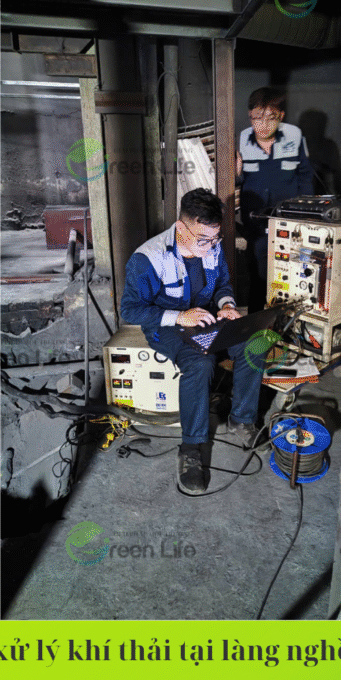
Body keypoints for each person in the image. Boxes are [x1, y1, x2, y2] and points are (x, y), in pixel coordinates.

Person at [120, 188, 263, 494]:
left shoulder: (212, 246)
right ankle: (191, 448)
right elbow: (130, 310)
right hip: (166, 326)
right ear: (181, 228)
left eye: (215, 238)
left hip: (206, 318)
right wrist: (180, 317)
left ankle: (242, 419)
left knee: (256, 343)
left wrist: (226, 305)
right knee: (200, 363)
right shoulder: (148, 258)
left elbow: (223, 284)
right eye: (203, 240)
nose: (211, 246)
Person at [236, 87, 314, 311]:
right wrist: (237, 173)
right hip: (256, 223)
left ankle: (286, 322)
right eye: (257, 118)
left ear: (281, 116)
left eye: (271, 118)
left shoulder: (294, 137)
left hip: (291, 221)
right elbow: (234, 182)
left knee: (293, 274)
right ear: (250, 116)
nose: (263, 125)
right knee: (258, 276)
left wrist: (307, 217)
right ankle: (256, 323)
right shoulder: (241, 141)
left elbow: (305, 177)